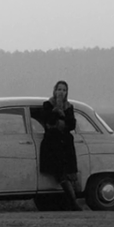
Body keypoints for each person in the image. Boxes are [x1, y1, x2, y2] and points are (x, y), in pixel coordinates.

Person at [39, 80, 83, 211]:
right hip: (52, 144)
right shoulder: (47, 104)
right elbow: (48, 121)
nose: (61, 92)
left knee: (69, 173)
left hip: (66, 145)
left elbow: (72, 124)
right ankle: (73, 204)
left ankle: (72, 202)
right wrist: (56, 110)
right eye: (59, 89)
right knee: (60, 173)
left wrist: (63, 115)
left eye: (64, 90)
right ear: (54, 91)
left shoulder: (69, 106)